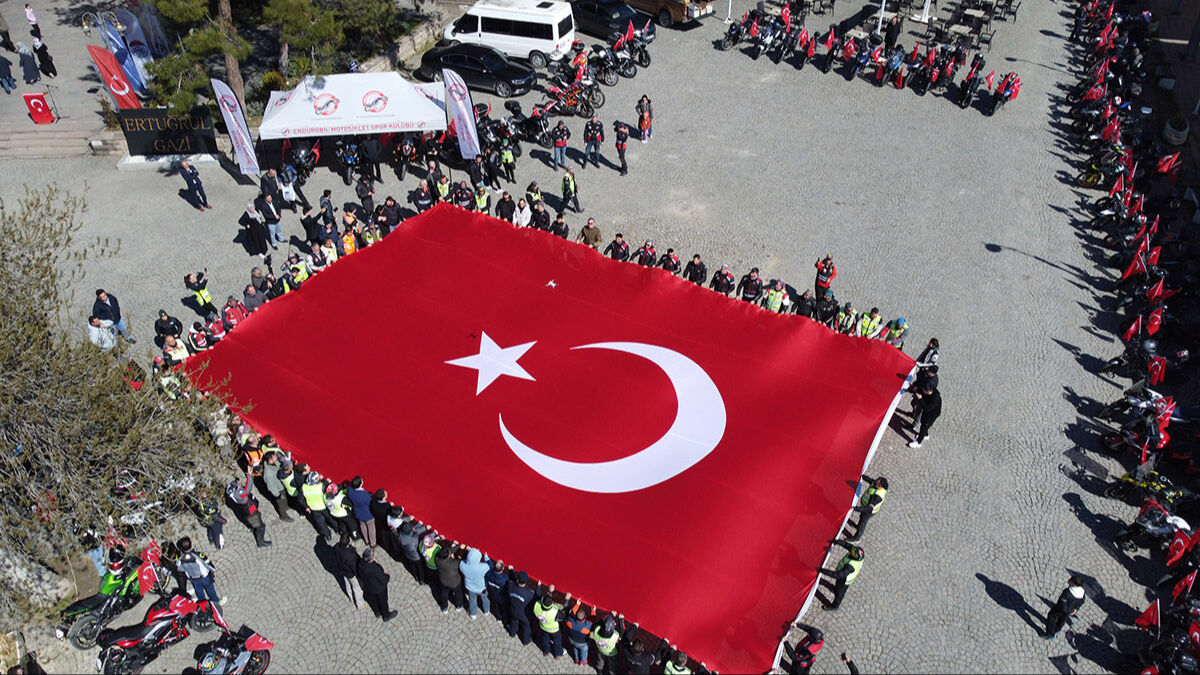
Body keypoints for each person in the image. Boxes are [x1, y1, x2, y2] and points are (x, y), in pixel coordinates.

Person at [226, 473, 271, 547]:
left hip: (247, 511)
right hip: (251, 513)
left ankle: (253, 527)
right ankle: (260, 542)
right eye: (238, 485)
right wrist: (249, 475)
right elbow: (248, 487)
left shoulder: (235, 495)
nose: (239, 483)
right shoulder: (240, 495)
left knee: (256, 521)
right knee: (260, 527)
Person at [176, 537, 222, 606]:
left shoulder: (180, 560)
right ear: (191, 545)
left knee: (198, 591)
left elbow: (180, 569)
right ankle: (216, 603)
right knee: (210, 590)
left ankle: (202, 604)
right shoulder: (199, 555)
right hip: (205, 577)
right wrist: (213, 570)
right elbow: (207, 564)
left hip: (193, 579)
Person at [357, 548, 398, 621]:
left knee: (373, 600)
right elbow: (383, 579)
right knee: (383, 601)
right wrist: (387, 576)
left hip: (369, 587)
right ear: (370, 558)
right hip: (379, 589)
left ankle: (377, 612)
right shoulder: (375, 568)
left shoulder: (360, 564)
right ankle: (386, 615)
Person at [823, 540, 864, 610]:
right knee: (837, 585)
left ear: (854, 556)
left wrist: (823, 571)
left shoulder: (850, 566)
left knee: (839, 593)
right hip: (841, 575)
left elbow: (838, 575)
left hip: (845, 580)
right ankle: (835, 590)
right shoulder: (855, 552)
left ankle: (835, 606)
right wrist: (837, 542)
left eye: (852, 552)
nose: (851, 550)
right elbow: (846, 545)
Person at [848, 475, 887, 541]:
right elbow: (870, 480)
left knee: (862, 523)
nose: (875, 482)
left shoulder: (877, 496)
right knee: (861, 519)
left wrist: (856, 509)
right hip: (865, 505)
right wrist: (862, 476)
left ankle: (856, 538)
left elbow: (868, 508)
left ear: (880, 486)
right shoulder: (876, 484)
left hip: (869, 511)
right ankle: (857, 526)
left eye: (877, 483)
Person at [300, 471, 336, 540]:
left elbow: (300, 499)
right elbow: (328, 485)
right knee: (331, 519)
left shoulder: (303, 487)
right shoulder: (322, 485)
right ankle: (337, 529)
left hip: (314, 508)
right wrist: (326, 481)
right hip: (324, 507)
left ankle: (328, 535)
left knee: (321, 523)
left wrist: (306, 507)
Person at [533, 589, 567, 658]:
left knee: (545, 639)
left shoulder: (537, 605)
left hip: (543, 626)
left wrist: (549, 592)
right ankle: (558, 654)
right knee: (557, 641)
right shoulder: (555, 610)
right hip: (554, 629)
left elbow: (540, 598)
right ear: (551, 603)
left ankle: (546, 651)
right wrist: (567, 600)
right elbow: (563, 616)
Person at [333, 534, 364, 610]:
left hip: (342, 570)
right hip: (351, 573)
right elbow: (354, 567)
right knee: (357, 587)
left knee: (347, 584)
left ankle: (351, 597)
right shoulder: (350, 556)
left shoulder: (336, 547)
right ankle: (360, 604)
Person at [506, 570, 537, 644]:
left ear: (517, 580)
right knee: (526, 626)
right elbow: (536, 598)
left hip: (513, 609)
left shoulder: (510, 585)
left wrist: (511, 571)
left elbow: (511, 582)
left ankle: (512, 633)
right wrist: (538, 587)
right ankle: (526, 641)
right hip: (523, 614)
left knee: (514, 621)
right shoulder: (529, 593)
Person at [260, 452, 293, 521]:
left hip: (281, 485)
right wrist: (277, 495)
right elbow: (271, 486)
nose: (276, 457)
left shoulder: (275, 463)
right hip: (278, 489)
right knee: (281, 503)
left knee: (285, 499)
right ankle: (283, 516)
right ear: (270, 460)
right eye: (274, 456)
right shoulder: (268, 473)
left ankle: (286, 506)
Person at [346, 476, 376, 548]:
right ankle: (372, 543)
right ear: (360, 484)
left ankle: (366, 540)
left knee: (362, 526)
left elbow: (348, 489)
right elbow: (370, 503)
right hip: (368, 514)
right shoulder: (365, 495)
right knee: (371, 529)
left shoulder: (350, 491)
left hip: (358, 513)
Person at [396, 519, 429, 585]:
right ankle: (421, 580)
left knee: (413, 566)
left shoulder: (400, 535)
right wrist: (425, 528)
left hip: (408, 555)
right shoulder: (413, 540)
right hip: (416, 557)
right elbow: (416, 532)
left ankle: (416, 576)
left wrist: (419, 525)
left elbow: (413, 530)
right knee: (420, 568)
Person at [460, 547, 490, 619]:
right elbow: (489, 566)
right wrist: (486, 558)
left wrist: (468, 551)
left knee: (472, 600)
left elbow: (462, 560)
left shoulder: (462, 565)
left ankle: (473, 614)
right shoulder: (483, 567)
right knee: (485, 599)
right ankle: (486, 611)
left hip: (470, 587)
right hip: (481, 588)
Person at [484, 559, 510, 623]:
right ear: (503, 568)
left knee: (497, 607)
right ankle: (504, 619)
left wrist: (487, 560)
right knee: (504, 608)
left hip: (492, 593)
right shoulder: (504, 579)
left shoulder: (489, 574)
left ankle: (499, 618)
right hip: (501, 597)